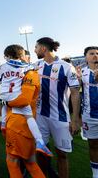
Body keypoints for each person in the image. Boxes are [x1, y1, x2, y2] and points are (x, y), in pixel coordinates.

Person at [34, 37, 80, 178]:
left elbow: (75, 93)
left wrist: (75, 119)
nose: (35, 50)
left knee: (62, 154)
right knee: (41, 152)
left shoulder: (66, 67)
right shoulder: (36, 65)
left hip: (60, 117)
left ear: (43, 48)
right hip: (40, 116)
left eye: (36, 47)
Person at [0, 44, 52, 157]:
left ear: (7, 55)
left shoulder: (3, 67)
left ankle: (3, 122)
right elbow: (31, 69)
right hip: (16, 96)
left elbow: (1, 80)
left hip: (4, 94)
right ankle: (40, 142)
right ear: (21, 54)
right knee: (29, 117)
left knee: (4, 105)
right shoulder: (26, 67)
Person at [2, 51, 45, 178]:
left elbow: (24, 100)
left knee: (12, 161)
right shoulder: (21, 72)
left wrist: (6, 102)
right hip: (24, 122)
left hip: (18, 123)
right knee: (30, 162)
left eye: (8, 57)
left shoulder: (30, 73)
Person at [80, 46, 98, 177]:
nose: (95, 55)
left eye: (97, 53)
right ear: (86, 57)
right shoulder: (81, 72)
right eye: (91, 53)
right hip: (89, 116)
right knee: (93, 145)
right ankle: (95, 173)